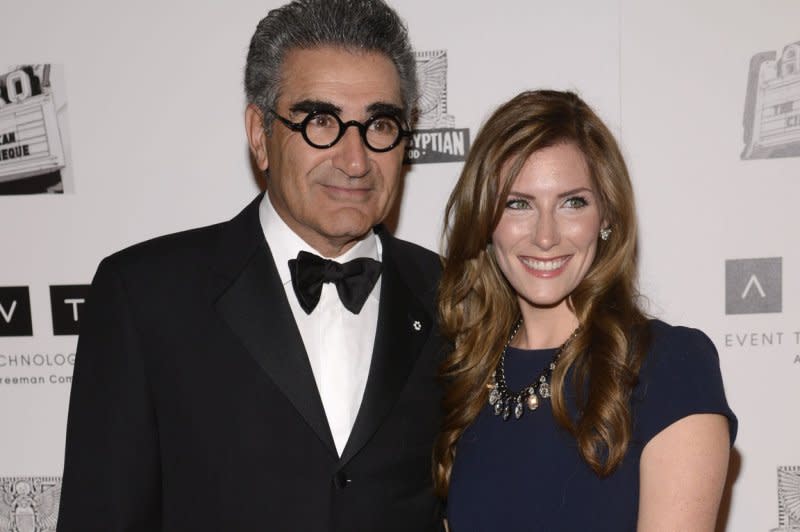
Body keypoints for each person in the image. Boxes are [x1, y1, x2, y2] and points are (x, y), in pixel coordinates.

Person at [57, 1, 445, 530]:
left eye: (379, 124)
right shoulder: (145, 297)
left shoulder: (453, 297)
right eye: (321, 122)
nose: (355, 161)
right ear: (261, 135)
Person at [434, 90, 736, 531]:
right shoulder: (465, 374)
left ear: (607, 215)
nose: (545, 236)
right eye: (518, 204)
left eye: (572, 202)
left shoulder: (670, 366)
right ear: (485, 220)